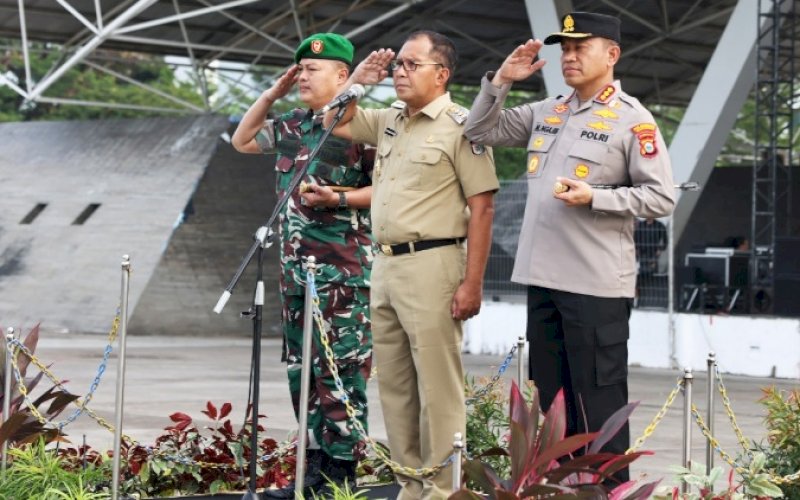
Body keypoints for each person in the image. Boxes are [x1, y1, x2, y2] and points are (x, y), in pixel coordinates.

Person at [464, 12, 675, 484]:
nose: (570, 57)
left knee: (597, 406)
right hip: (544, 281)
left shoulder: (632, 120)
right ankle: (558, 490)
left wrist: (595, 197)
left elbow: (662, 197)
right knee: (553, 404)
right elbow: (478, 131)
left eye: (582, 47)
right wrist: (501, 80)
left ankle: (605, 493)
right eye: (565, 48)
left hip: (595, 285)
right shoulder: (548, 110)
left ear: (612, 55)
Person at [326, 31, 499, 499]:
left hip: (434, 264)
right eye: (398, 64)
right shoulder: (389, 121)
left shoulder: (465, 126)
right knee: (397, 389)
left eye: (411, 64)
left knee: (438, 390)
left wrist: (473, 282)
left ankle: (442, 491)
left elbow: (482, 208)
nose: (399, 71)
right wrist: (359, 80)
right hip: (385, 267)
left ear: (441, 74)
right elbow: (333, 120)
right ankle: (410, 487)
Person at [231, 33, 374, 497]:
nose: (304, 76)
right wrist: (271, 94)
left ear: (341, 75)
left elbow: (390, 188)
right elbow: (243, 140)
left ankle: (343, 474)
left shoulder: (364, 127)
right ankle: (313, 470)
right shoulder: (292, 125)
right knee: (302, 373)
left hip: (343, 275)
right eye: (300, 69)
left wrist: (339, 197)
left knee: (342, 373)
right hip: (294, 274)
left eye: (315, 69)